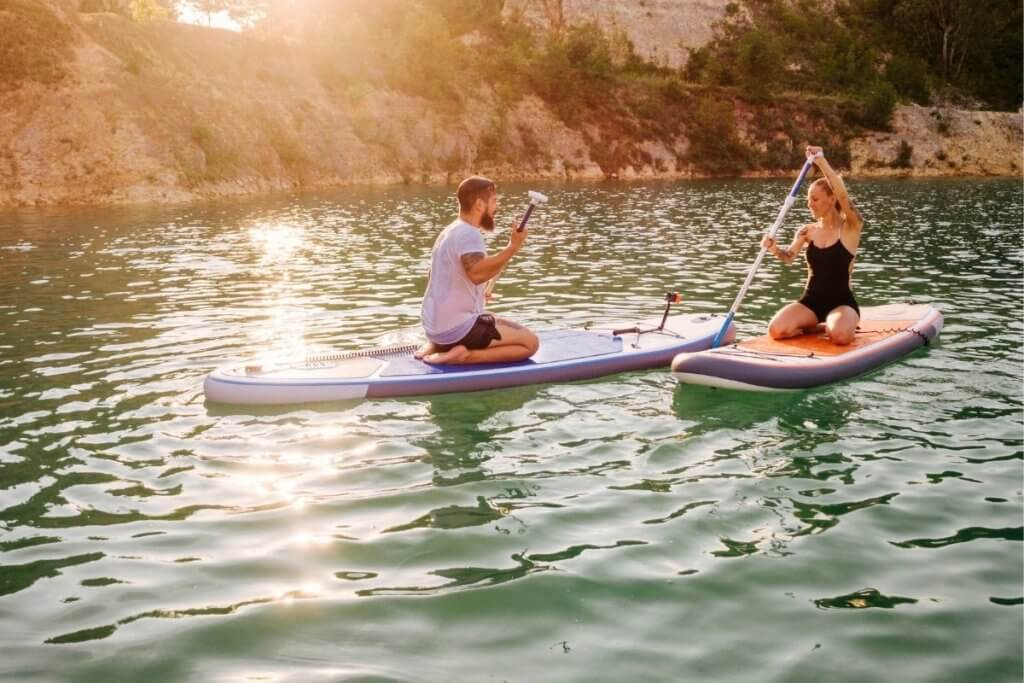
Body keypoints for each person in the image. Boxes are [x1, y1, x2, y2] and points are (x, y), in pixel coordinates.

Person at [415, 176, 540, 365]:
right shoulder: (468, 233)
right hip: (457, 331)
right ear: (480, 205)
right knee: (530, 343)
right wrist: (512, 247)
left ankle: (438, 345)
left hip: (434, 328)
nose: (496, 207)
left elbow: (438, 277)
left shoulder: (450, 231)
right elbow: (476, 274)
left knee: (491, 318)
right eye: (494, 201)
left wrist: (478, 293)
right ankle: (464, 356)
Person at [760, 146, 863, 345]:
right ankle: (816, 325)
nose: (810, 204)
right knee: (776, 330)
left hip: (842, 302)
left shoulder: (851, 227)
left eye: (815, 199)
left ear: (832, 199)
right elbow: (788, 257)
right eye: (808, 200)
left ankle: (840, 324)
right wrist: (773, 248)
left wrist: (821, 161)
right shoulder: (807, 231)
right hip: (811, 301)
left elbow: (843, 195)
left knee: (840, 337)